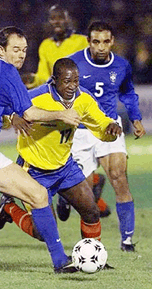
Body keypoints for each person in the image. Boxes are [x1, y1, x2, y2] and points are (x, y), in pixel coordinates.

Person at [0, 26, 84, 274]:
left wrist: (11, 116)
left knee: (38, 194)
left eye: (24, 50)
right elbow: (30, 112)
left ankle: (60, 262)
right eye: (15, 49)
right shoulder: (5, 71)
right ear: (1, 50)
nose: (21, 54)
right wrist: (62, 114)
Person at [0, 58, 122, 261]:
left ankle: (94, 260)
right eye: (67, 82)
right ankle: (8, 208)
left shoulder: (84, 99)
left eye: (76, 81)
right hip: (33, 171)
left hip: (65, 167)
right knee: (43, 233)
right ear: (54, 80)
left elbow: (101, 123)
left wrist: (111, 129)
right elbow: (2, 112)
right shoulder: (36, 97)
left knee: (92, 212)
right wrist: (11, 117)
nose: (72, 87)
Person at [58, 21, 146, 252]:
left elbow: (127, 93)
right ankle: (90, 247)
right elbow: (54, 90)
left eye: (106, 41)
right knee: (85, 196)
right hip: (81, 132)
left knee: (119, 178)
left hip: (109, 128)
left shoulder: (121, 65)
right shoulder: (74, 63)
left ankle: (126, 241)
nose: (101, 47)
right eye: (96, 41)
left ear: (112, 41)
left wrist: (135, 119)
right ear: (88, 42)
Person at [22, 3, 110, 216]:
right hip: (58, 105)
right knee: (39, 150)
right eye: (53, 18)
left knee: (77, 165)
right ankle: (93, 198)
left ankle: (82, 197)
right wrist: (32, 79)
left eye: (61, 17)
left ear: (69, 19)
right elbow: (45, 76)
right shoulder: (45, 46)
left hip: (84, 104)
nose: (57, 22)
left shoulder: (81, 42)